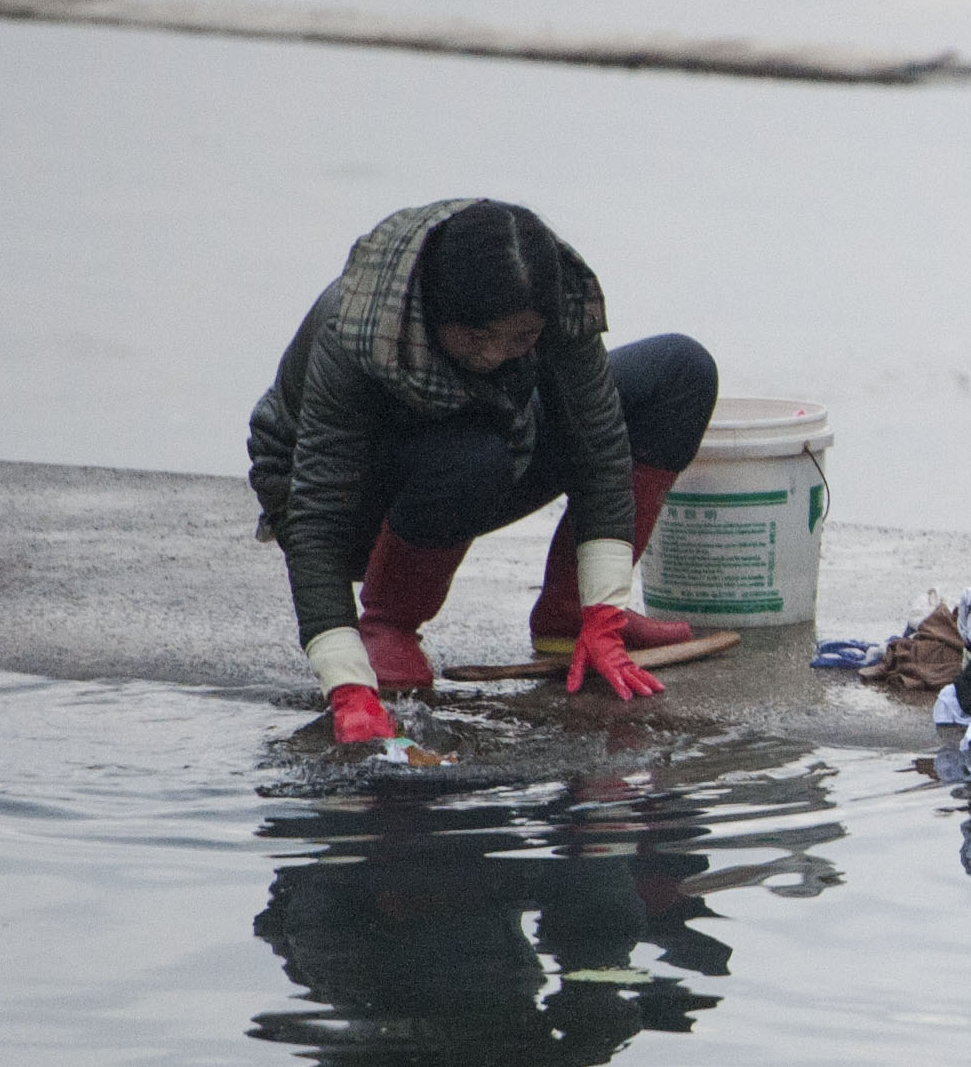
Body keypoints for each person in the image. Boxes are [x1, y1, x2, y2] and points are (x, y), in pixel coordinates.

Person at [246, 198, 717, 746]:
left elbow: (600, 444)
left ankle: (571, 617)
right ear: (435, 312)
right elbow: (316, 514)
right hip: (349, 495)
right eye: (474, 338)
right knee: (473, 454)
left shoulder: (555, 300)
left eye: (519, 339)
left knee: (679, 372)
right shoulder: (355, 329)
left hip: (492, 436)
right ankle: (389, 623)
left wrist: (605, 611)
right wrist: (346, 682)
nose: (494, 356)